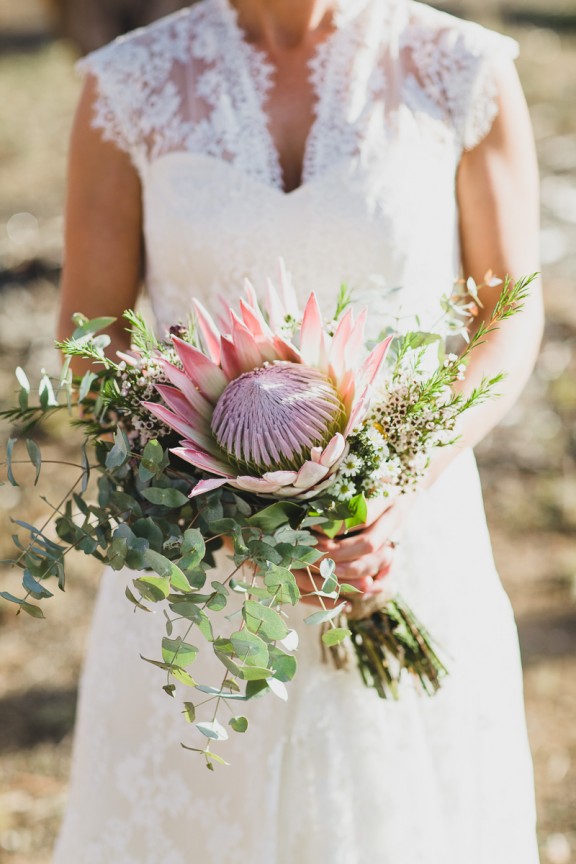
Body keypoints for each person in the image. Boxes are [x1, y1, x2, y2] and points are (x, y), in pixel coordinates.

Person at [54, 0, 543, 861]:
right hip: (197, 558)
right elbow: (88, 340)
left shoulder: (460, 68)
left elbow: (511, 313)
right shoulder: (127, 86)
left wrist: (395, 483)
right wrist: (214, 508)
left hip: (401, 533)